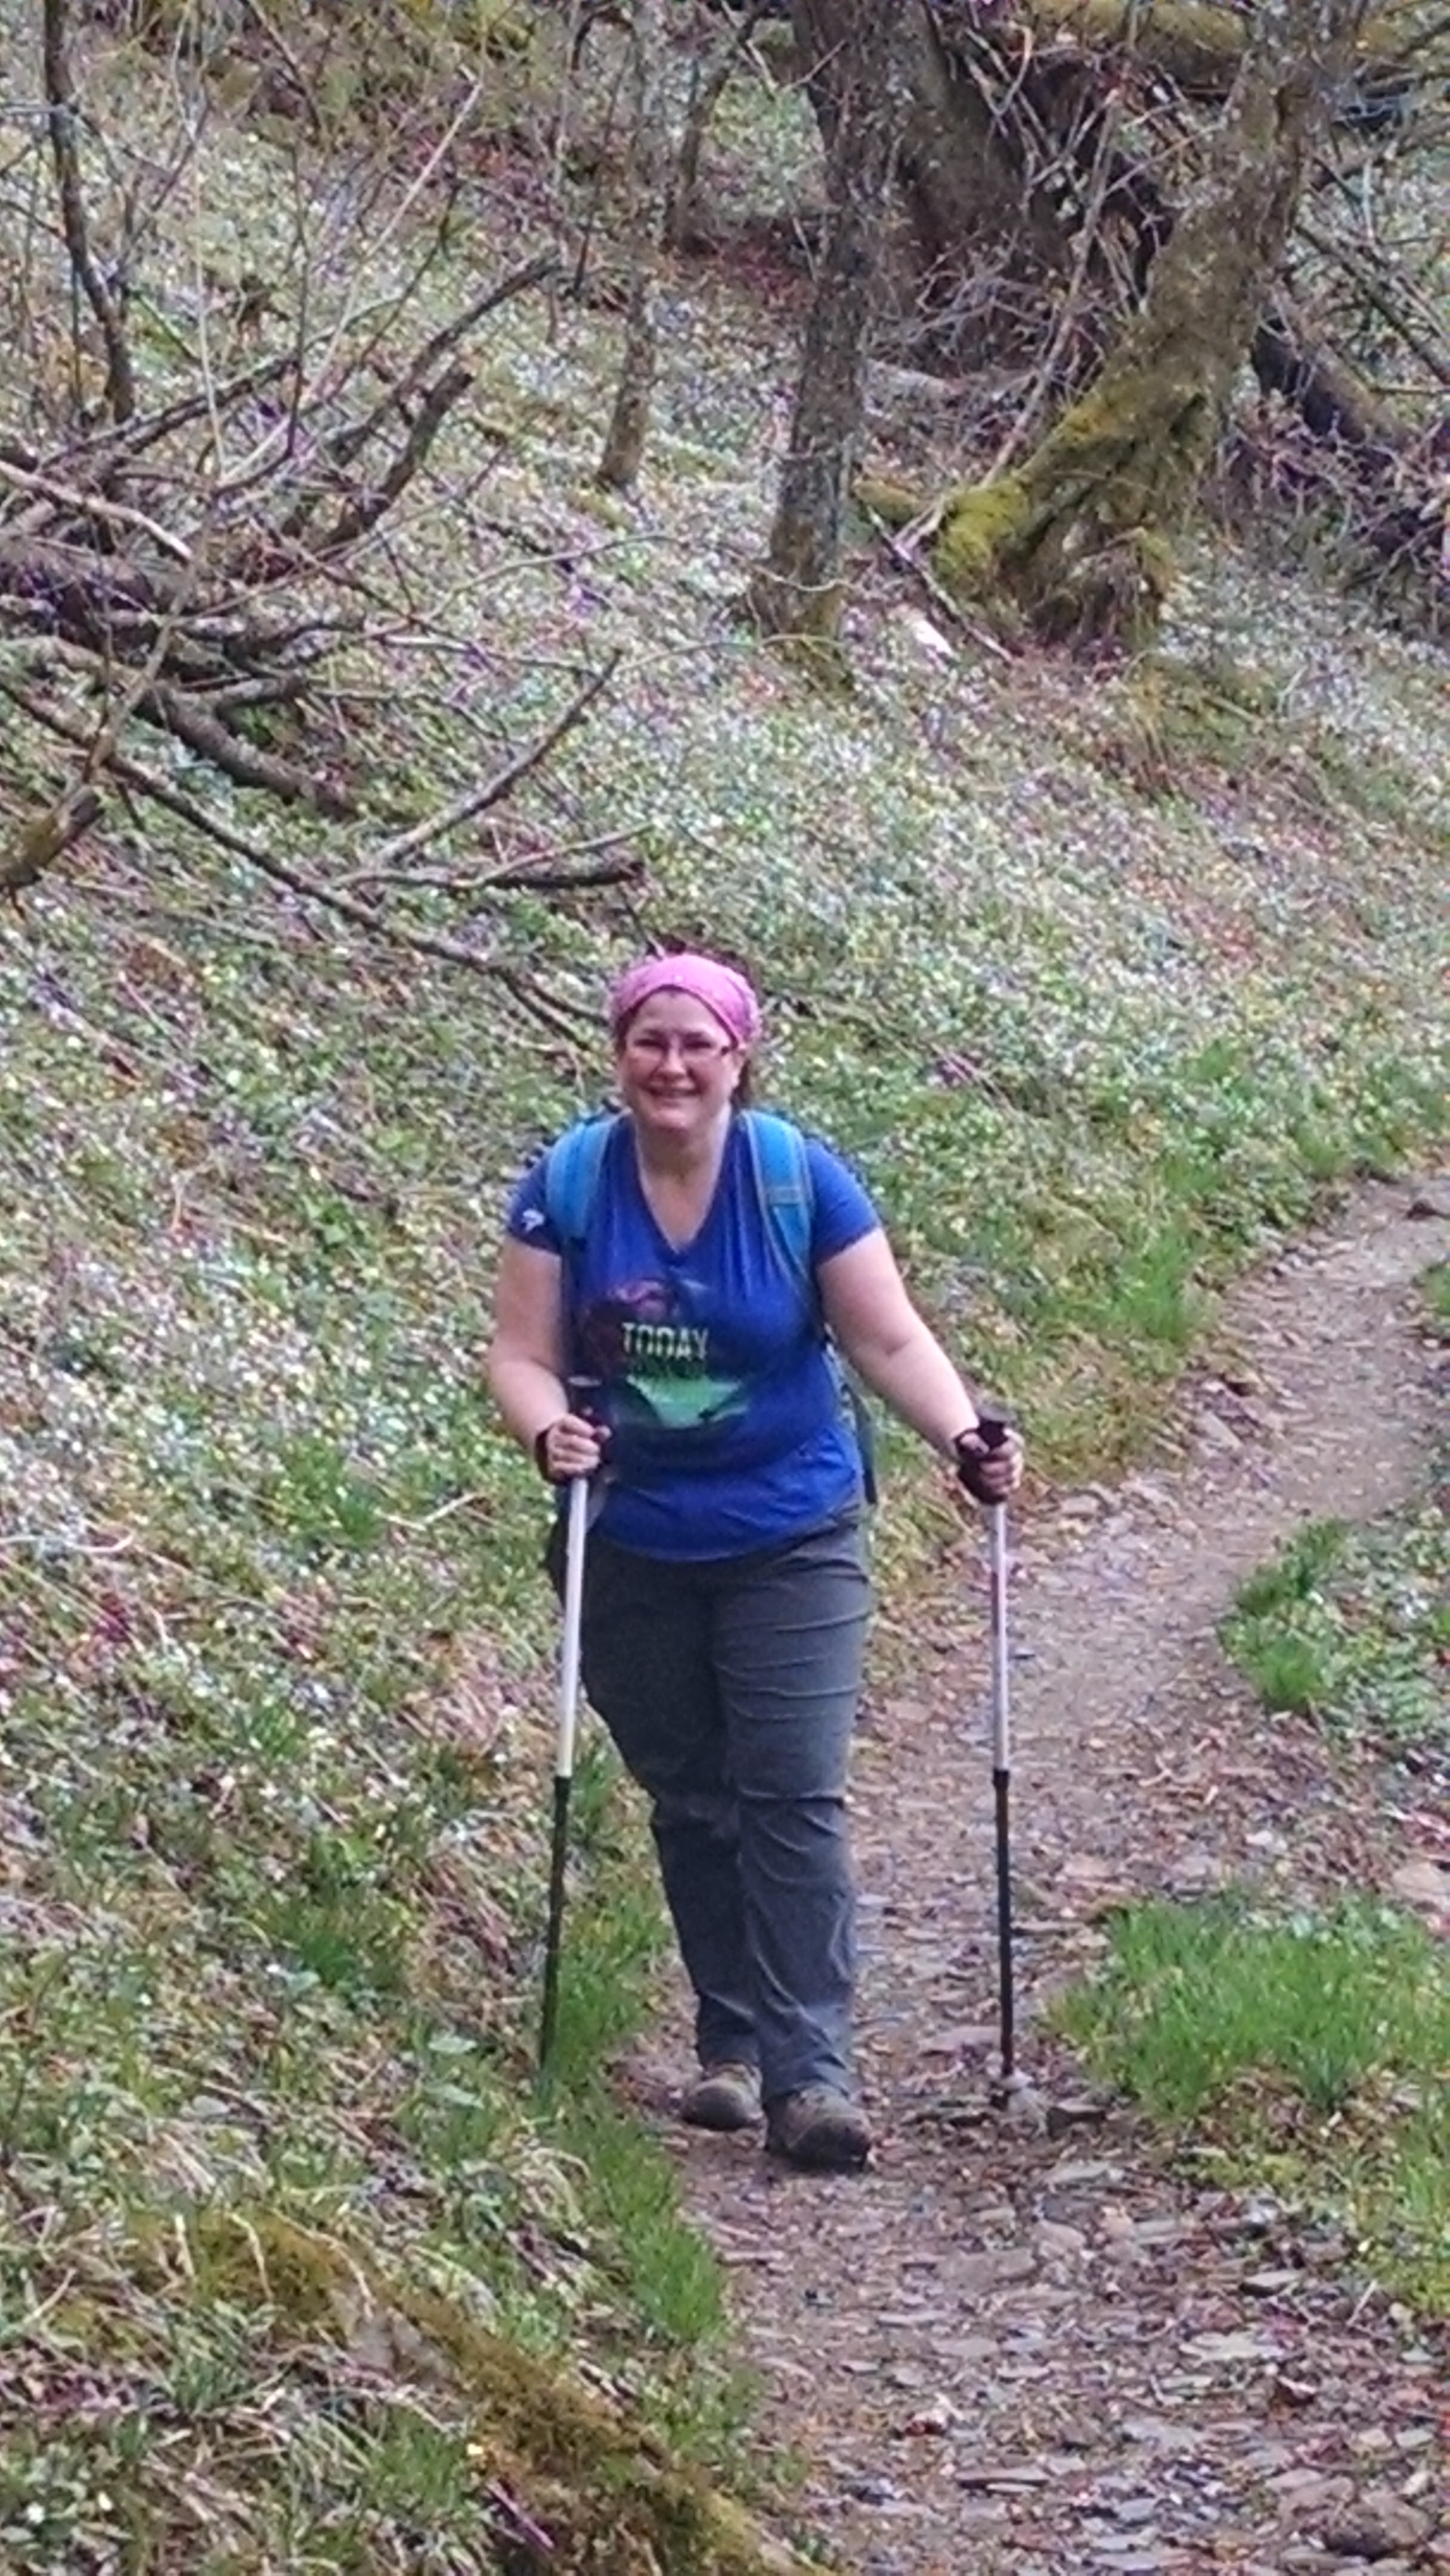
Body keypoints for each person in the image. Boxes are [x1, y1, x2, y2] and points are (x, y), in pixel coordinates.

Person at [486, 952, 1023, 2172]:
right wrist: (545, 1429)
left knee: (790, 1789)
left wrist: (964, 1439)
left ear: (739, 1058)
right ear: (619, 1053)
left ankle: (811, 2075)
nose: (671, 1066)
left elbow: (885, 1337)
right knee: (691, 1790)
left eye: (698, 1045)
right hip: (630, 1533)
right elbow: (520, 1353)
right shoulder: (568, 1184)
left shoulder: (796, 1179)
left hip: (791, 1529)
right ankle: (728, 2042)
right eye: (650, 1041)